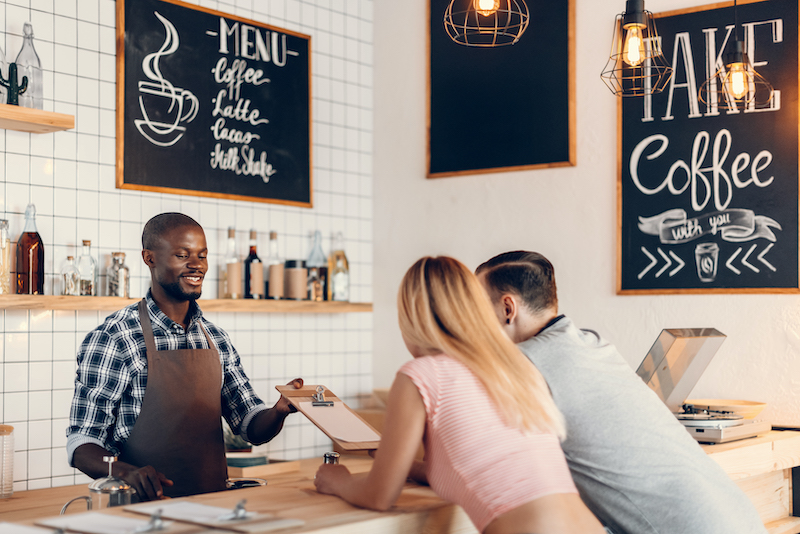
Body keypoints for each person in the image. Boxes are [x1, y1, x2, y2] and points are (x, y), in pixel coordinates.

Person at [475, 251, 767, 534]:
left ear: (507, 308)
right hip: (742, 518)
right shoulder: (593, 344)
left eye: (476, 306)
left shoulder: (523, 364)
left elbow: (474, 456)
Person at [314, 256, 604, 534]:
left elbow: (379, 496)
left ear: (410, 316)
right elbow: (477, 466)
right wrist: (401, 465)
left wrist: (339, 481)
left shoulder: (420, 374)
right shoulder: (512, 369)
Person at [67, 213, 302, 501]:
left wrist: (279, 410)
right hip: (140, 512)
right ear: (149, 258)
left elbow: (249, 425)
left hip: (214, 505)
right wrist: (122, 471)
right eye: (183, 255)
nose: (197, 265)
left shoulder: (216, 339)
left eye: (202, 256)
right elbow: (82, 444)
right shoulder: (115, 337)